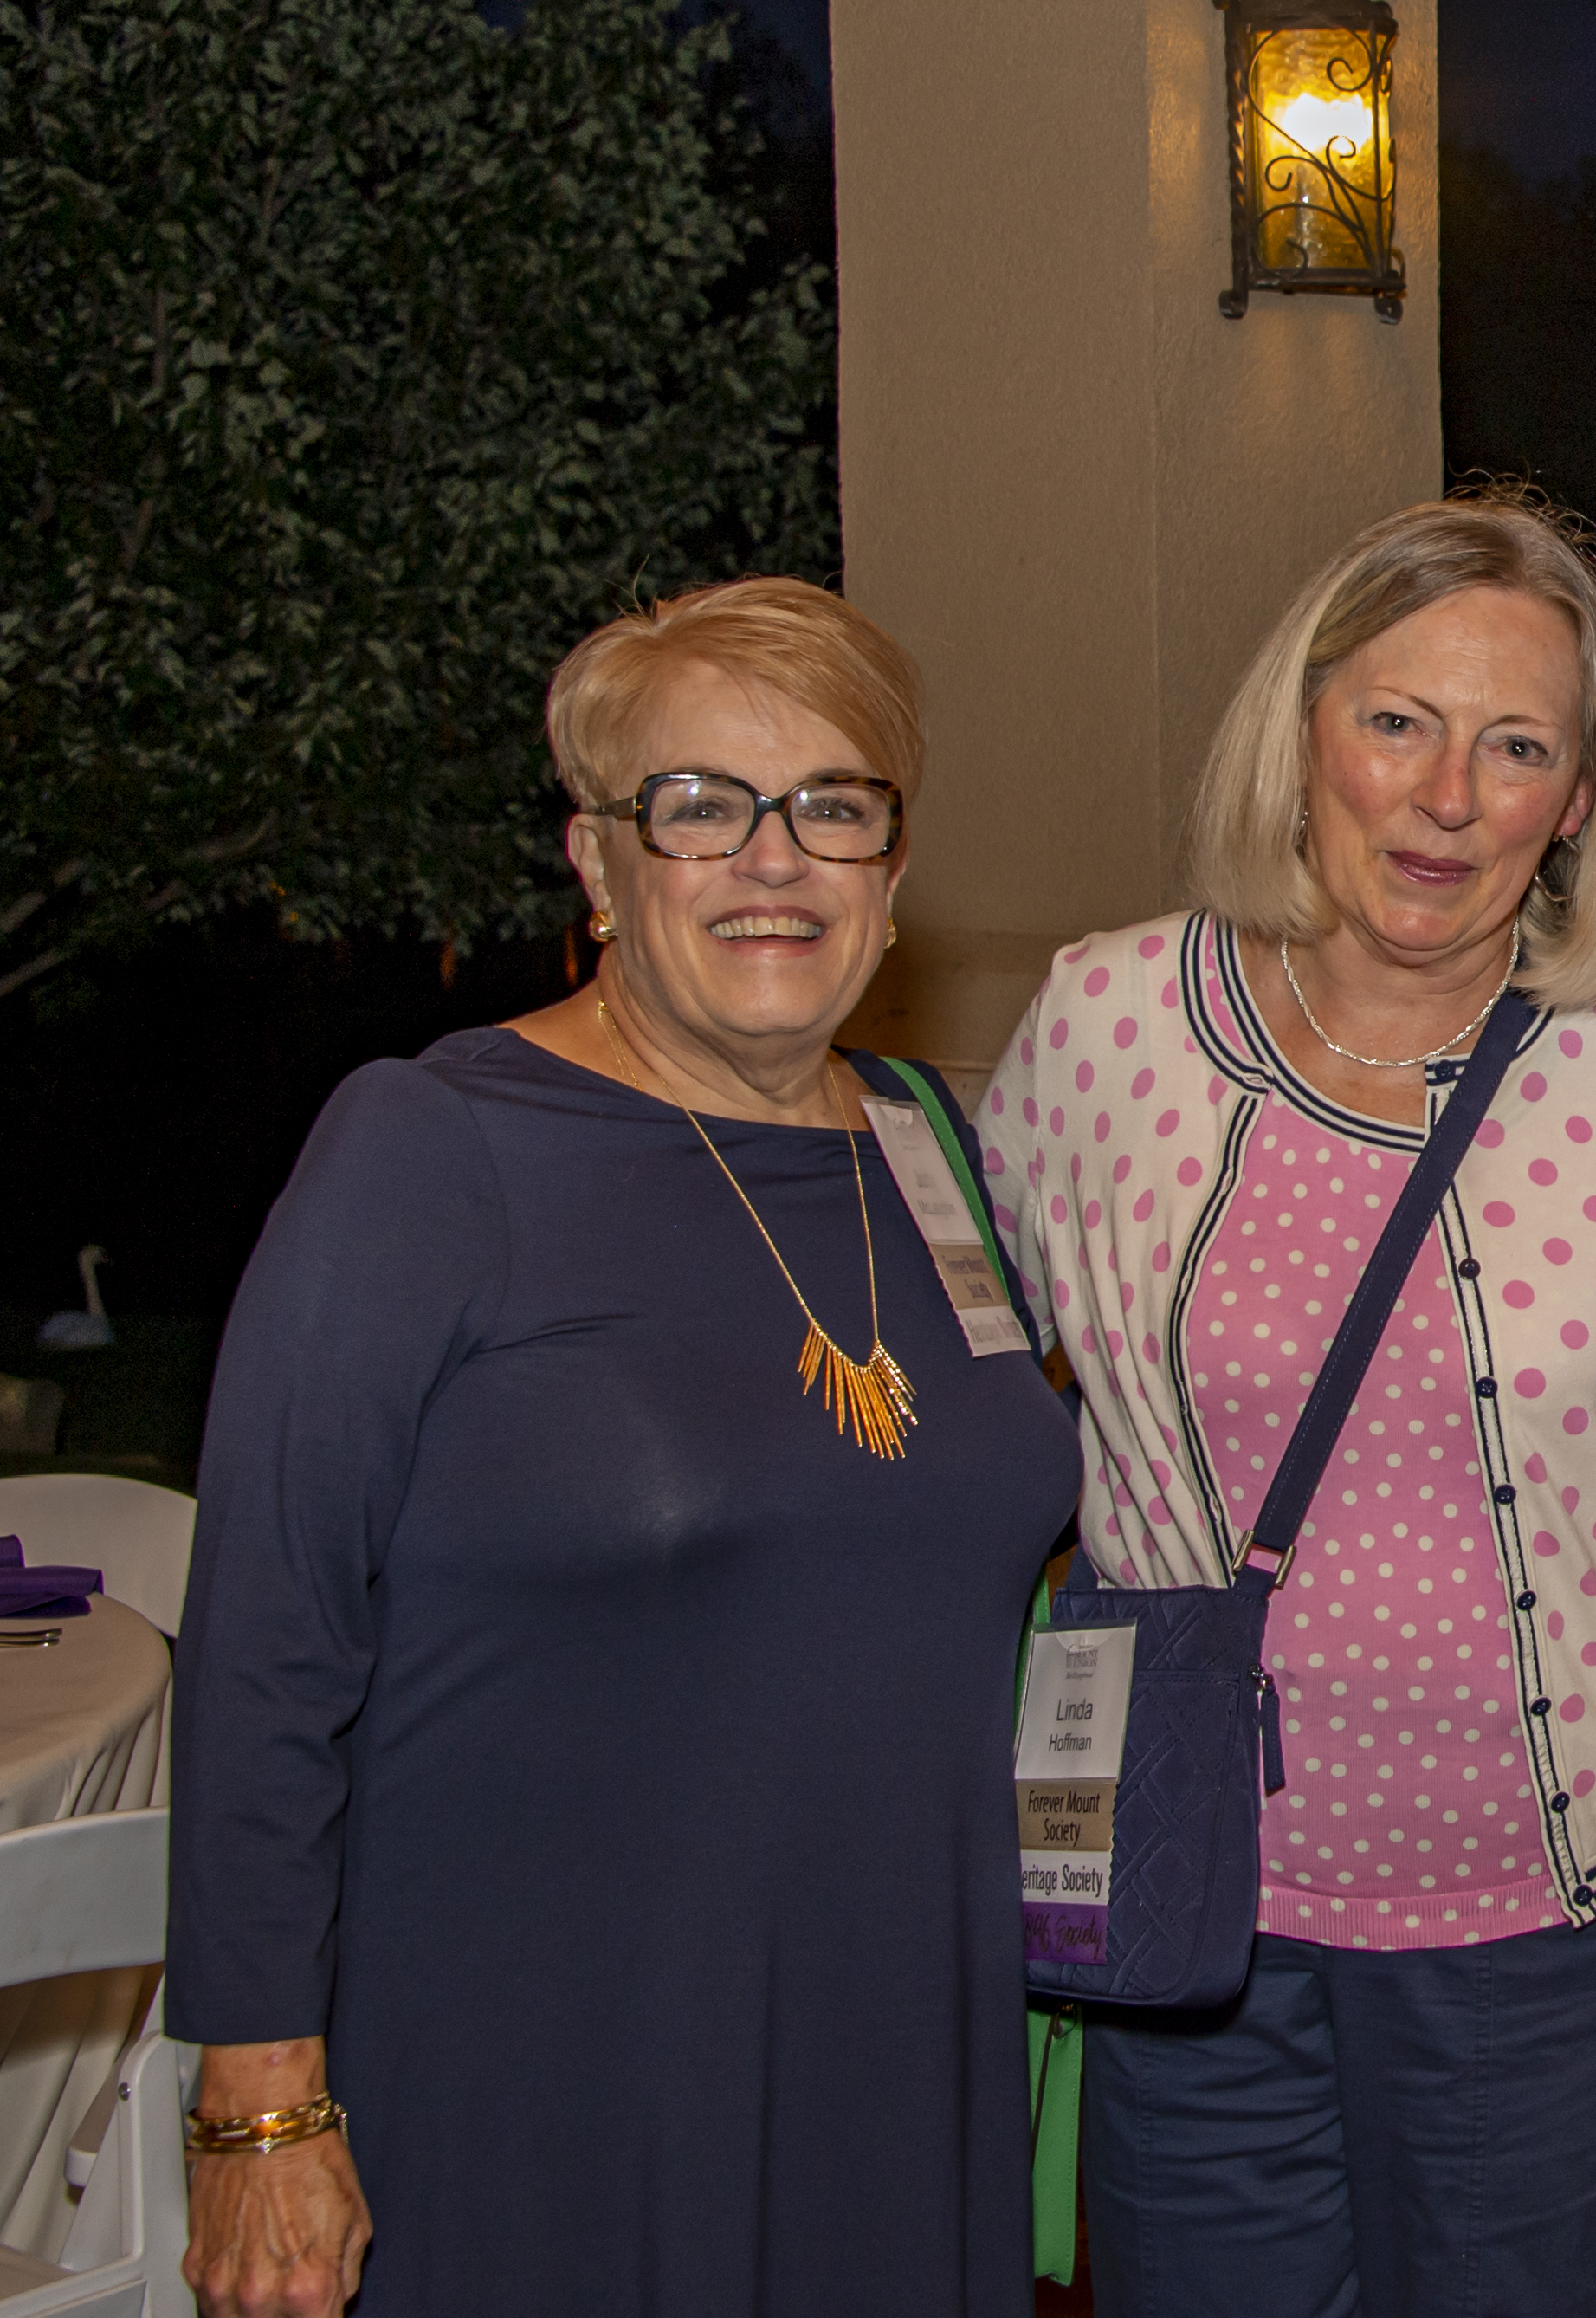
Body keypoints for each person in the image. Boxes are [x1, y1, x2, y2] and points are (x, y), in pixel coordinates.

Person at [167, 578, 1081, 2318]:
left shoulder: (929, 1150)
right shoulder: (434, 1148)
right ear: (598, 863)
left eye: (832, 803)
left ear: (890, 875)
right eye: (696, 806)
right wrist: (259, 2099)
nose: (771, 856)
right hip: (545, 2061)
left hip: (899, 2035)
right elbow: (267, 1640)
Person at [975, 494, 1596, 2318]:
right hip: (1193, 1916)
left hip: (1558, 1925)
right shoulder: (1103, 1026)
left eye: (1514, 747)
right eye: (1396, 721)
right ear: (1303, 725)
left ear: (1576, 802)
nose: (1443, 795)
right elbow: (985, 1403)